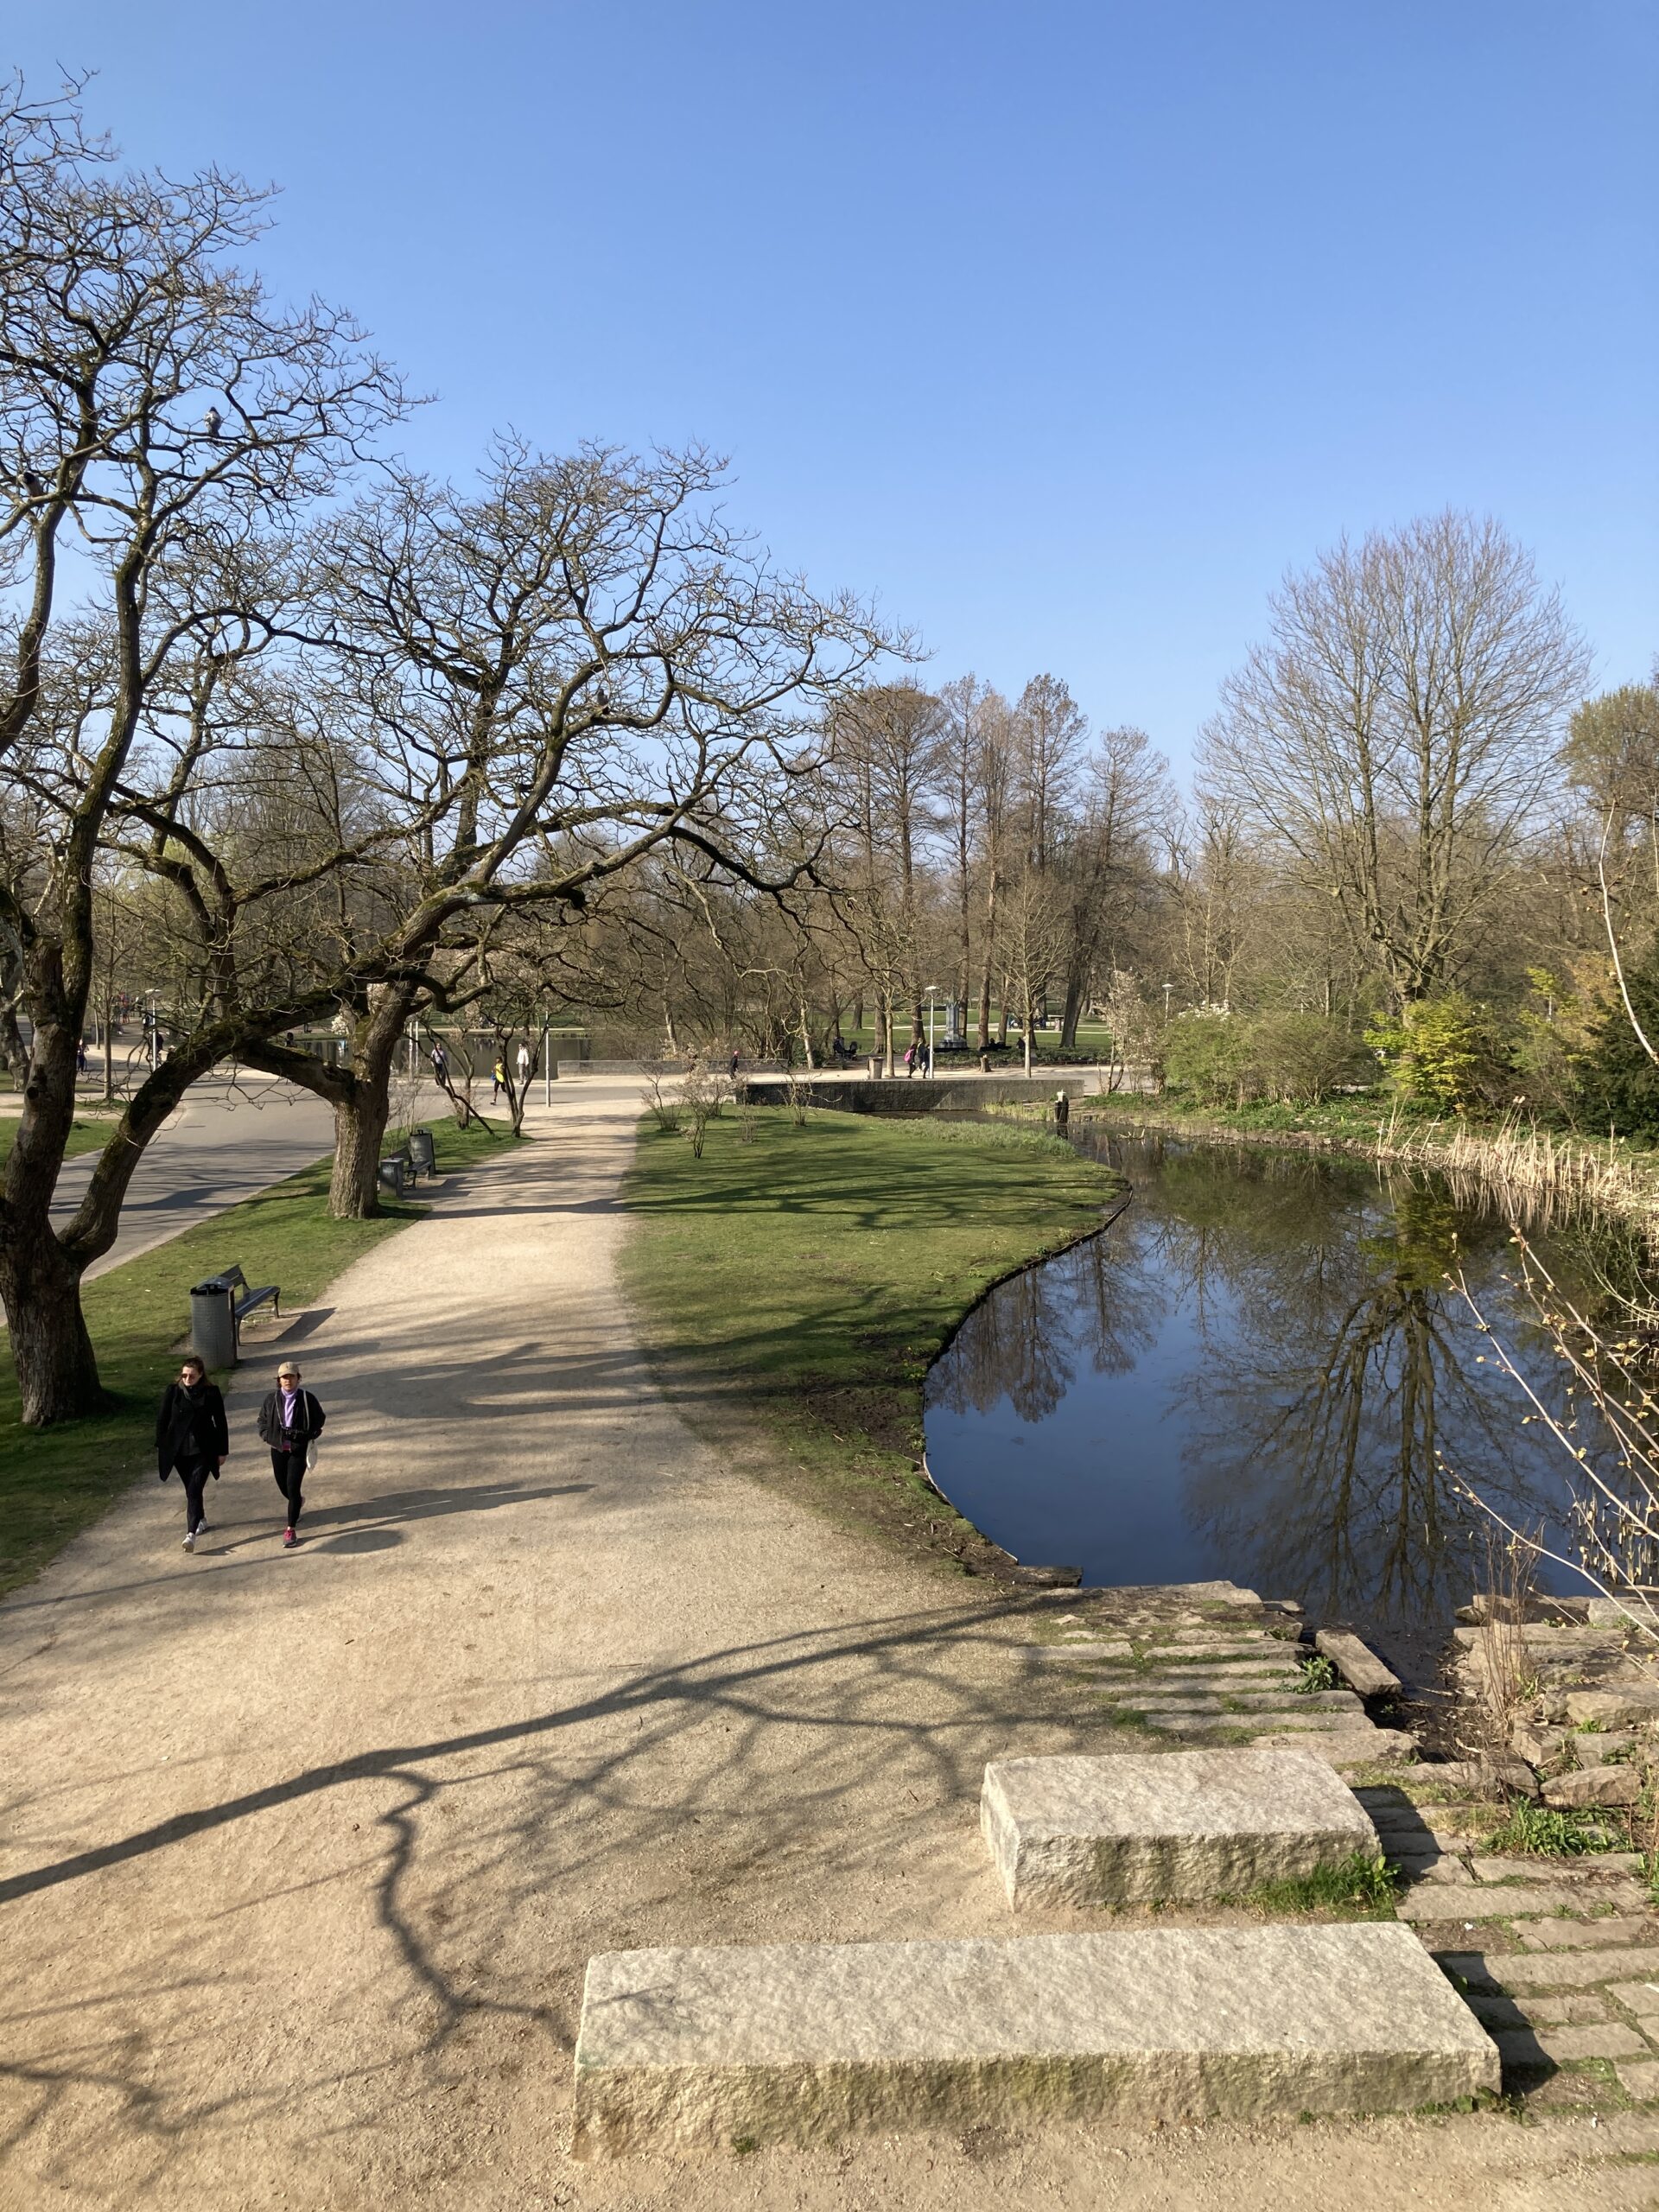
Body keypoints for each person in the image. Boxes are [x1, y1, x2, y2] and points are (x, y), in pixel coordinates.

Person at [156, 1356, 229, 1553]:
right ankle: (201, 1518)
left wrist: (222, 1451)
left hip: (204, 1450)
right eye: (184, 1375)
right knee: (191, 1489)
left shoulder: (211, 1393)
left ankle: (191, 1534)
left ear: (200, 1375)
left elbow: (221, 1423)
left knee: (195, 1489)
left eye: (192, 1376)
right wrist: (162, 1445)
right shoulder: (173, 1392)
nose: (187, 1379)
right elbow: (162, 1421)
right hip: (179, 1452)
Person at [257, 1361, 327, 1548]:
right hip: (278, 1448)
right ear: (279, 1380)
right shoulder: (271, 1400)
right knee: (283, 1486)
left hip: (298, 1448)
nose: (288, 1380)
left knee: (292, 1486)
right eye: (284, 1377)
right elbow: (262, 1420)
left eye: (291, 1377)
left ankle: (290, 1529)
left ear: (298, 1378)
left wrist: (310, 1434)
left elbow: (320, 1419)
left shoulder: (307, 1398)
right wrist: (267, 1436)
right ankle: (297, 1503)